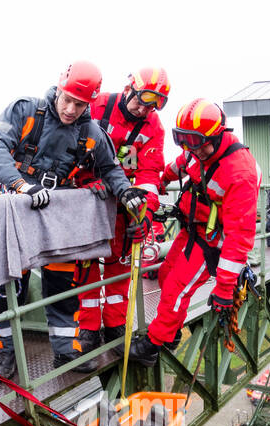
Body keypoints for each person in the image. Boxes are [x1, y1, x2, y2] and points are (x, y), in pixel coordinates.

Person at [0, 61, 148, 377]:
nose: (71, 109)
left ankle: (65, 353)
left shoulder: (90, 132)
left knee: (60, 286)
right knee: (8, 288)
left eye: (80, 104)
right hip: (15, 208)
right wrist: (21, 184)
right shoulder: (25, 112)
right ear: (59, 89)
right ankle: (6, 356)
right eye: (67, 99)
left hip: (55, 217)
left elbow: (109, 167)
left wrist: (124, 191)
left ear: (90, 103)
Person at [128, 98, 260, 367]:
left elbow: (239, 236)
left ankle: (154, 343)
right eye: (183, 140)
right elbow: (180, 164)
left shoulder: (239, 173)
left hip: (213, 241)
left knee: (178, 288)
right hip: (192, 229)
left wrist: (224, 288)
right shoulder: (195, 147)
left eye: (195, 142)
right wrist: (163, 180)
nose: (190, 149)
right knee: (165, 276)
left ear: (216, 135)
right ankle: (171, 328)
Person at [70, 67, 170, 369]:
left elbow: (150, 174)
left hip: (123, 203)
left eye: (152, 106)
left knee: (119, 263)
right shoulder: (96, 106)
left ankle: (115, 324)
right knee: (86, 264)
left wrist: (145, 214)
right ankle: (87, 329)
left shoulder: (153, 127)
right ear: (129, 89)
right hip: (86, 200)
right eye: (142, 101)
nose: (144, 109)